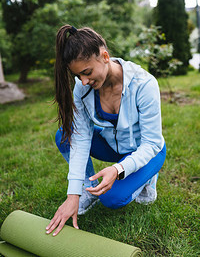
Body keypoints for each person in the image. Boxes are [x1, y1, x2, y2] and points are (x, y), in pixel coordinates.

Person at [46, 24, 166, 237]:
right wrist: (73, 194)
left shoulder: (144, 84)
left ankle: (147, 178)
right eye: (78, 76)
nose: (83, 81)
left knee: (112, 199)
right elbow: (81, 138)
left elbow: (152, 143)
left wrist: (118, 170)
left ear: (104, 56)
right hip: (113, 146)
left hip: (148, 151)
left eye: (87, 72)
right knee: (64, 136)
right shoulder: (83, 88)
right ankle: (89, 191)